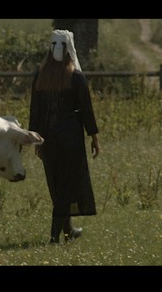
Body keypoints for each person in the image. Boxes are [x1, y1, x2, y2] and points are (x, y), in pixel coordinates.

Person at [29, 29, 100, 244]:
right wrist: (94, 137)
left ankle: (67, 230)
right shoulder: (76, 77)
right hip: (70, 139)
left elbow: (35, 110)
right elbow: (86, 109)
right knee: (66, 186)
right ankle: (54, 237)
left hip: (47, 138)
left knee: (57, 184)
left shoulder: (40, 75)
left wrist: (35, 137)